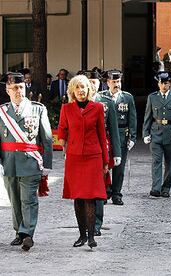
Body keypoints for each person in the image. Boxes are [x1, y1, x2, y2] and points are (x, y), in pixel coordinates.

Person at [0, 73, 53, 251]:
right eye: (15, 88)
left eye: (21, 88)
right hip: (8, 164)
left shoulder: (38, 109)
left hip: (30, 163)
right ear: (8, 90)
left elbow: (46, 139)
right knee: (15, 200)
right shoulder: (1, 112)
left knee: (28, 199)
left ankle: (27, 234)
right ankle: (19, 232)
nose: (19, 91)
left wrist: (47, 164)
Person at [58, 75, 109, 249]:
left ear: (89, 90)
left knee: (91, 197)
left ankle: (92, 236)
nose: (81, 91)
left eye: (84, 87)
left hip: (93, 156)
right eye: (77, 87)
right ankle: (81, 235)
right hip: (74, 157)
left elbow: (102, 134)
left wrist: (106, 161)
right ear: (72, 90)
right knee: (78, 197)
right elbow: (62, 130)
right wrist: (63, 144)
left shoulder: (97, 108)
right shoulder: (66, 109)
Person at [83, 70, 121, 236]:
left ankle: (96, 224)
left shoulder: (106, 102)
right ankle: (84, 221)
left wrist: (117, 153)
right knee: (83, 188)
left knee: (98, 187)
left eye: (95, 82)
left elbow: (113, 130)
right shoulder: (76, 102)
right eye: (89, 82)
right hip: (82, 150)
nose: (92, 85)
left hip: (100, 149)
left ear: (101, 84)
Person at [142, 71, 171, 198]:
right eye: (161, 83)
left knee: (169, 163)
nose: (163, 86)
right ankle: (155, 188)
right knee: (156, 161)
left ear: (170, 83)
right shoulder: (152, 97)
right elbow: (148, 117)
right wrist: (145, 133)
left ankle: (166, 187)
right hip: (156, 132)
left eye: (166, 83)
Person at [101, 70, 137, 205]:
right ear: (108, 82)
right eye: (114, 82)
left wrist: (132, 137)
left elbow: (132, 118)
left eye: (118, 81)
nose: (117, 84)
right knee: (104, 164)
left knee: (119, 167)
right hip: (106, 136)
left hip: (122, 135)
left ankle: (117, 193)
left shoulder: (127, 97)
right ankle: (104, 192)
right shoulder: (101, 97)